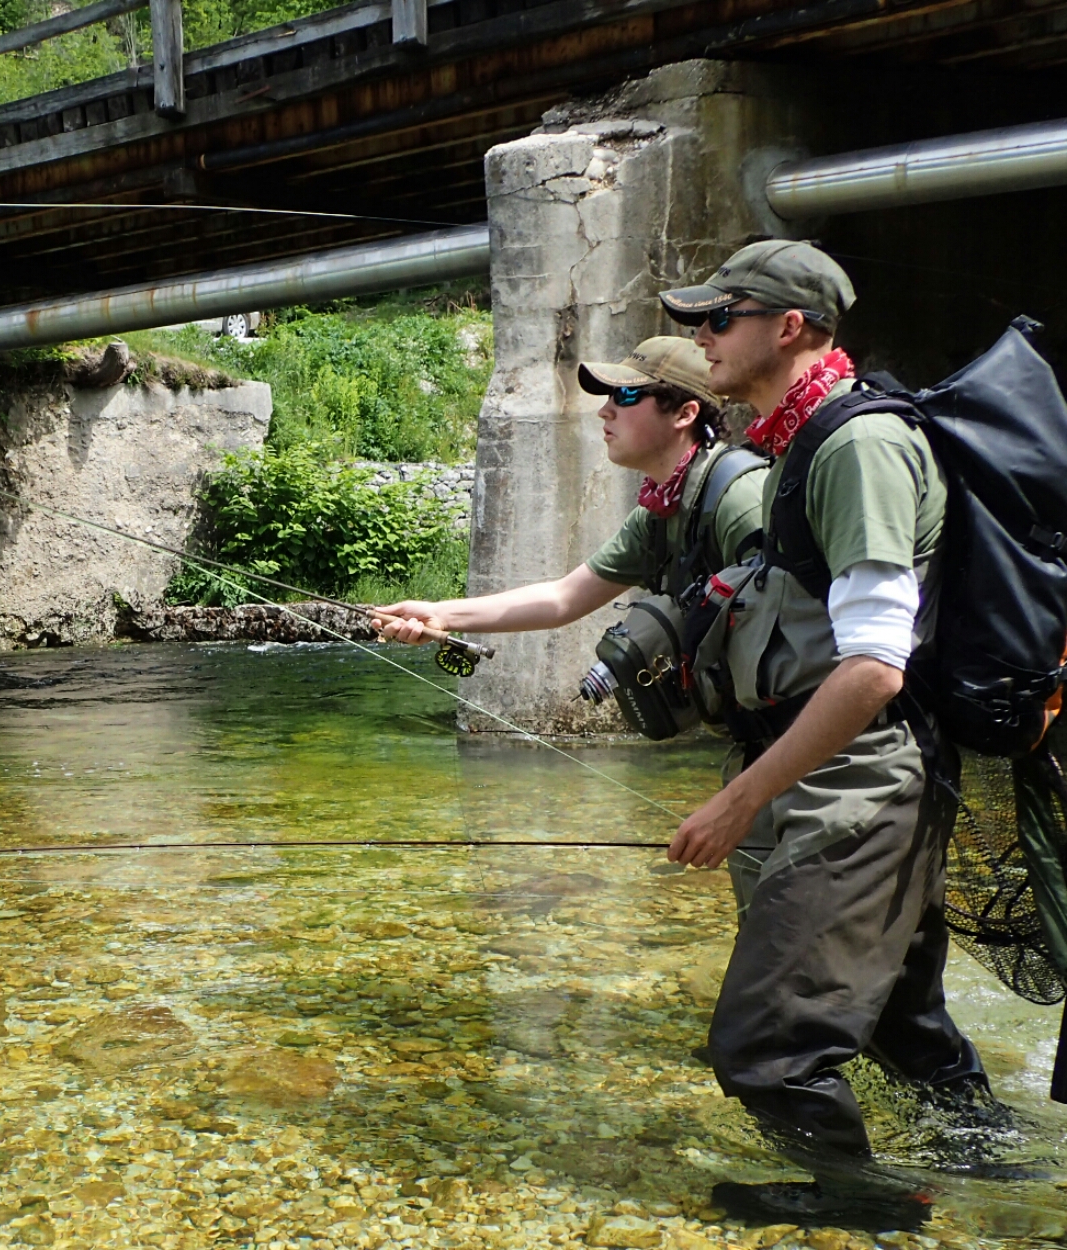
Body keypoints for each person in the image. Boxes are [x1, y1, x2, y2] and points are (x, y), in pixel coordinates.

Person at [388, 241, 1002, 1227]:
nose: (702, 337)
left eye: (718, 318)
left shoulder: (843, 450)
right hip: (811, 768)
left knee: (765, 1049)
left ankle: (864, 1208)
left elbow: (871, 668)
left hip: (851, 777)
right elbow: (569, 593)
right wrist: (441, 614)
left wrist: (738, 799)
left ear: (788, 327)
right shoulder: (789, 450)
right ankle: (998, 1169)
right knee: (896, 1017)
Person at [370, 332, 763, 704]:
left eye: (626, 395)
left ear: (684, 413)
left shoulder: (740, 501)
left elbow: (799, 633)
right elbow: (563, 599)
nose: (605, 410)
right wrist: (440, 614)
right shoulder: (658, 513)